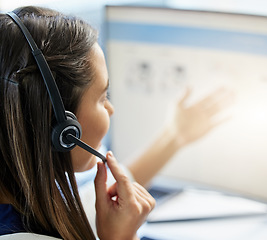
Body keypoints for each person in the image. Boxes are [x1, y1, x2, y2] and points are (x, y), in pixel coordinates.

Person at [0, 6, 234, 240]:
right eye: (103, 97)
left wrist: (175, 136)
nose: (111, 110)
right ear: (61, 127)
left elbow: (96, 208)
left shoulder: (24, 193)